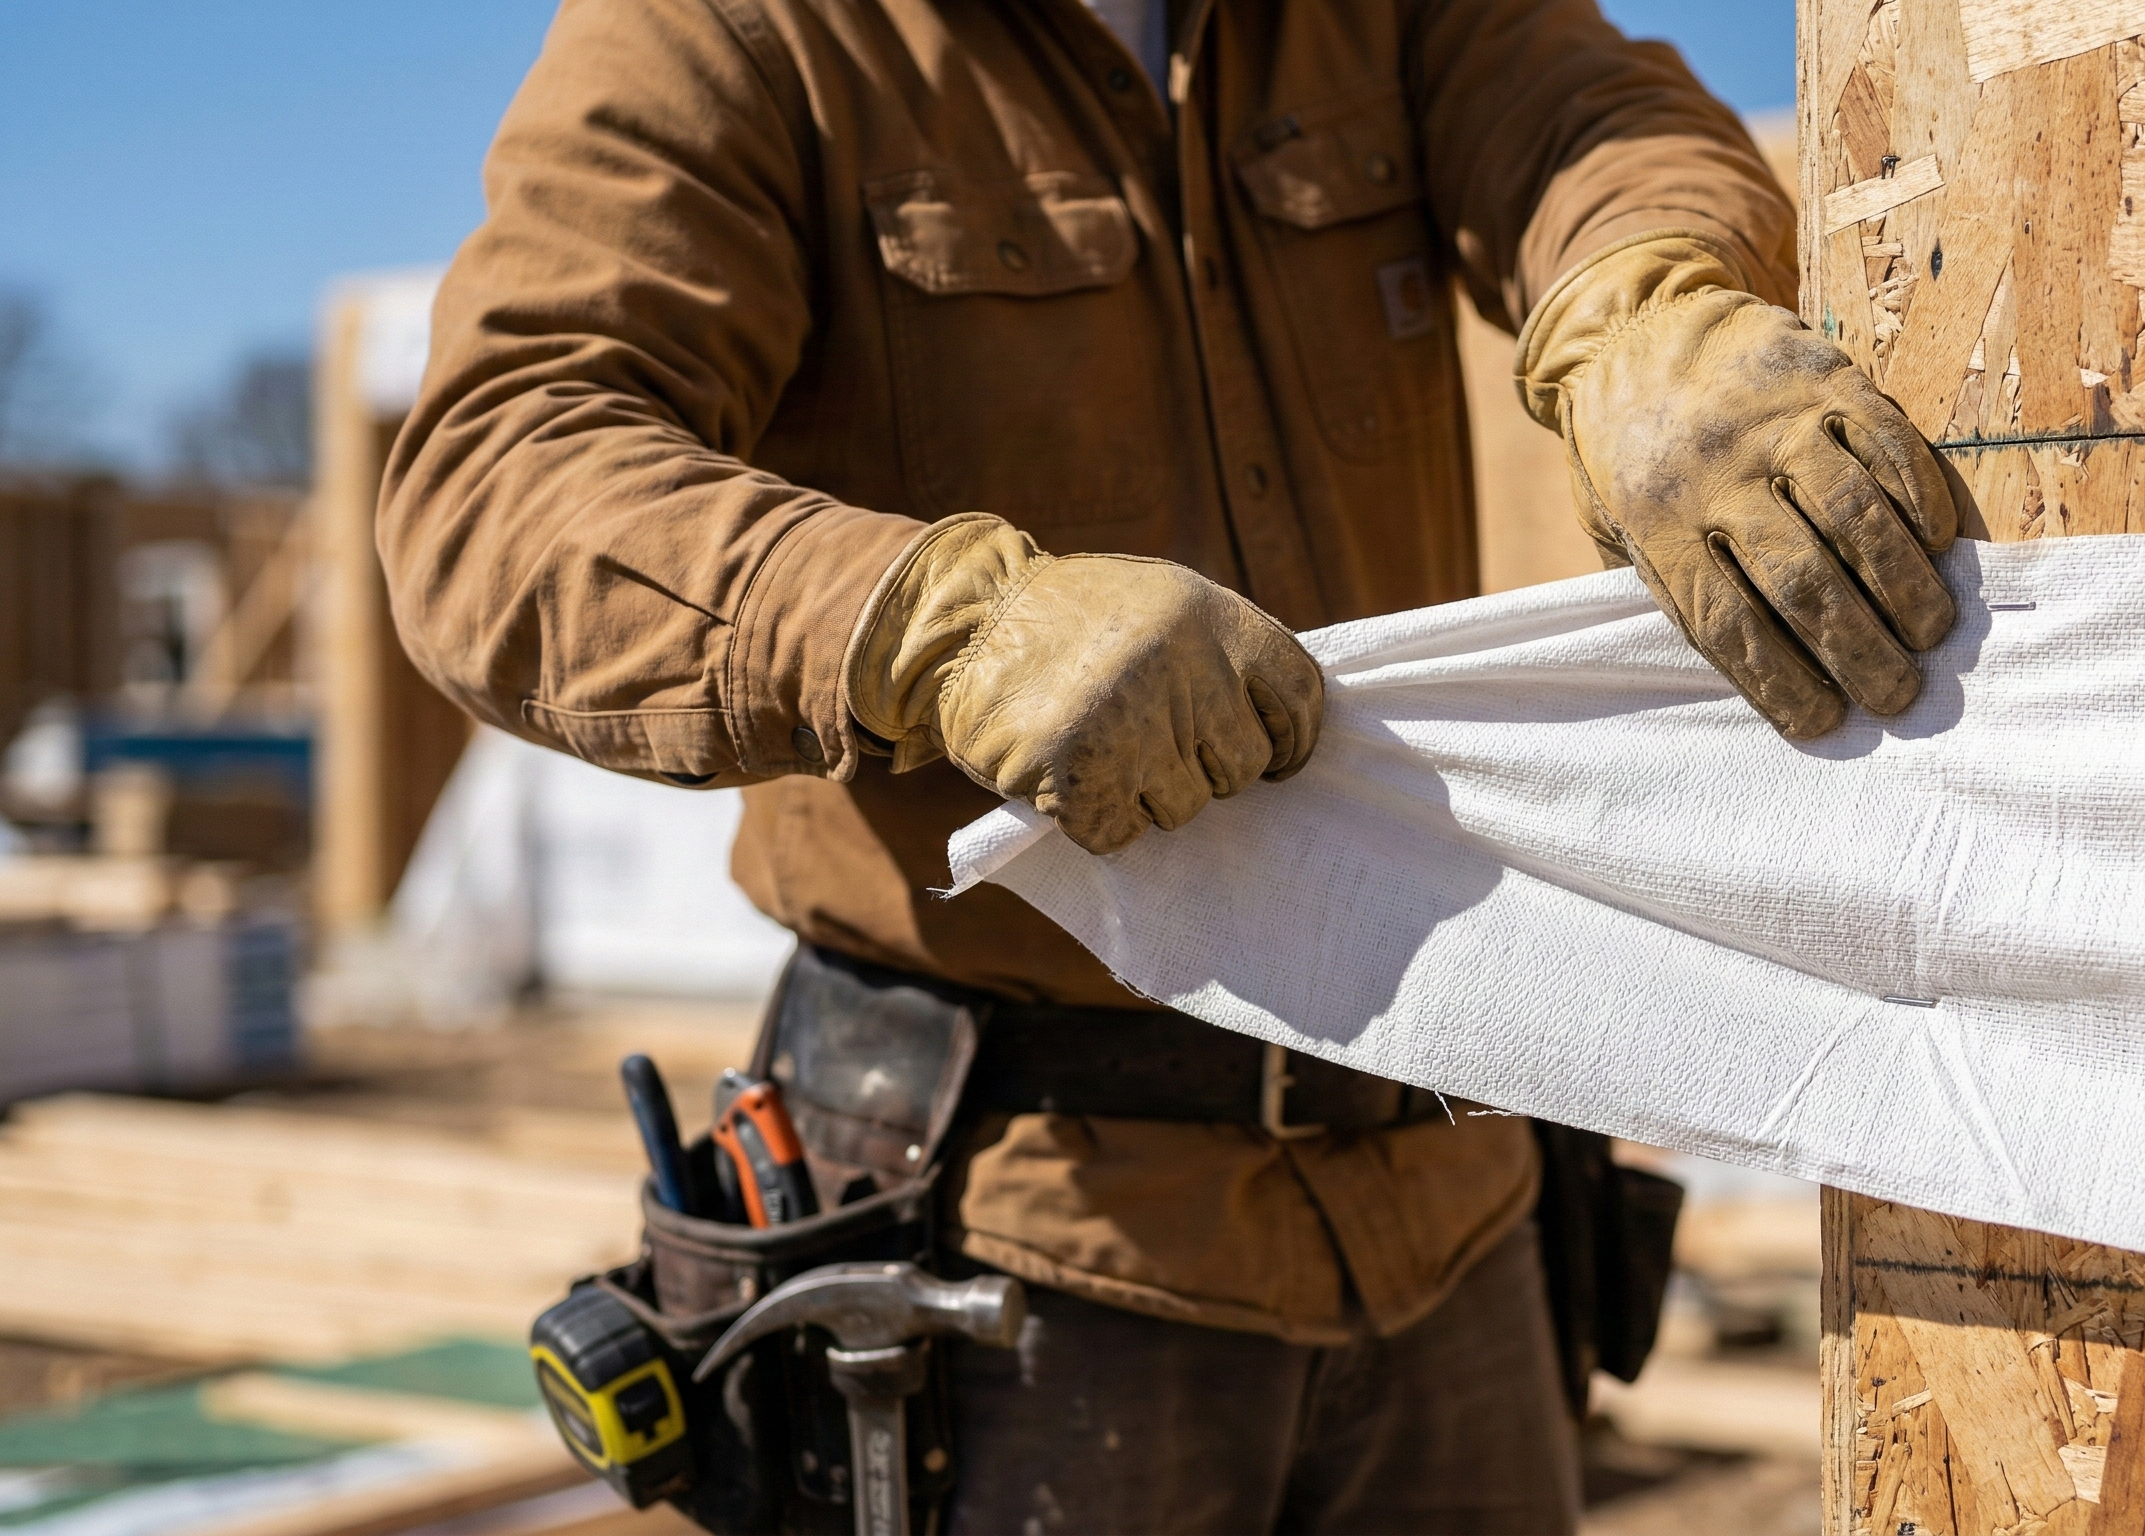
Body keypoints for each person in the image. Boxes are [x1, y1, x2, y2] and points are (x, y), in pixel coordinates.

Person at [380, 0, 1957, 1529]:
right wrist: (939, 624)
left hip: (1445, 1197)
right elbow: (496, 484)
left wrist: (1648, 301)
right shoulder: (747, 29)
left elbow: (1589, 121)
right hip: (1021, 1252)